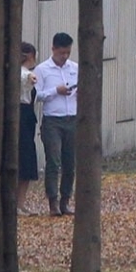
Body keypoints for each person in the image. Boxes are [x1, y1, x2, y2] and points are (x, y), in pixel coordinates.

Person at [35, 32, 78, 216]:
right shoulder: (42, 69)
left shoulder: (75, 68)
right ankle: (52, 200)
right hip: (53, 119)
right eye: (61, 53)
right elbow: (37, 95)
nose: (65, 56)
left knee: (70, 162)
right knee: (54, 160)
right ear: (53, 49)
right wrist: (55, 91)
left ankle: (65, 199)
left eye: (67, 52)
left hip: (72, 118)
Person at [19, 42, 41, 197]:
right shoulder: (23, 73)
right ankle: (17, 202)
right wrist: (30, 77)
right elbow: (26, 77)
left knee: (26, 160)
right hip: (23, 115)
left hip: (26, 116)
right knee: (24, 159)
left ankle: (20, 202)